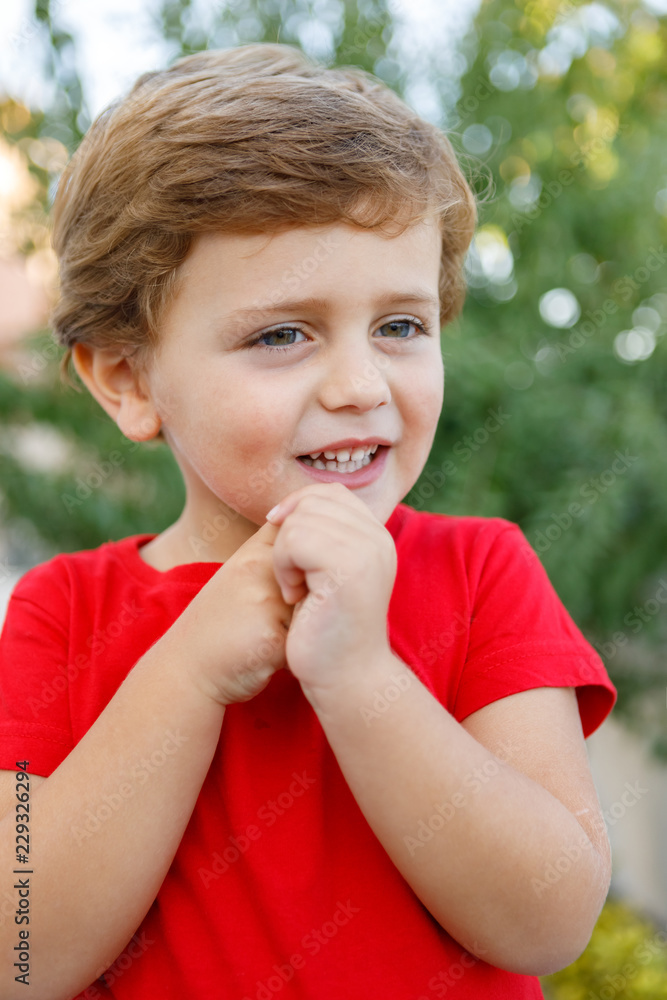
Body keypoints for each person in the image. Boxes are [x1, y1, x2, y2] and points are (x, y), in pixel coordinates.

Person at [0, 43, 616, 1000]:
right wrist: (191, 670)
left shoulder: (481, 573)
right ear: (127, 379)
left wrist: (361, 677)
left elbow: (549, 919)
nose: (360, 385)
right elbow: (21, 954)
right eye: (282, 333)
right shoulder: (60, 611)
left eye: (400, 326)